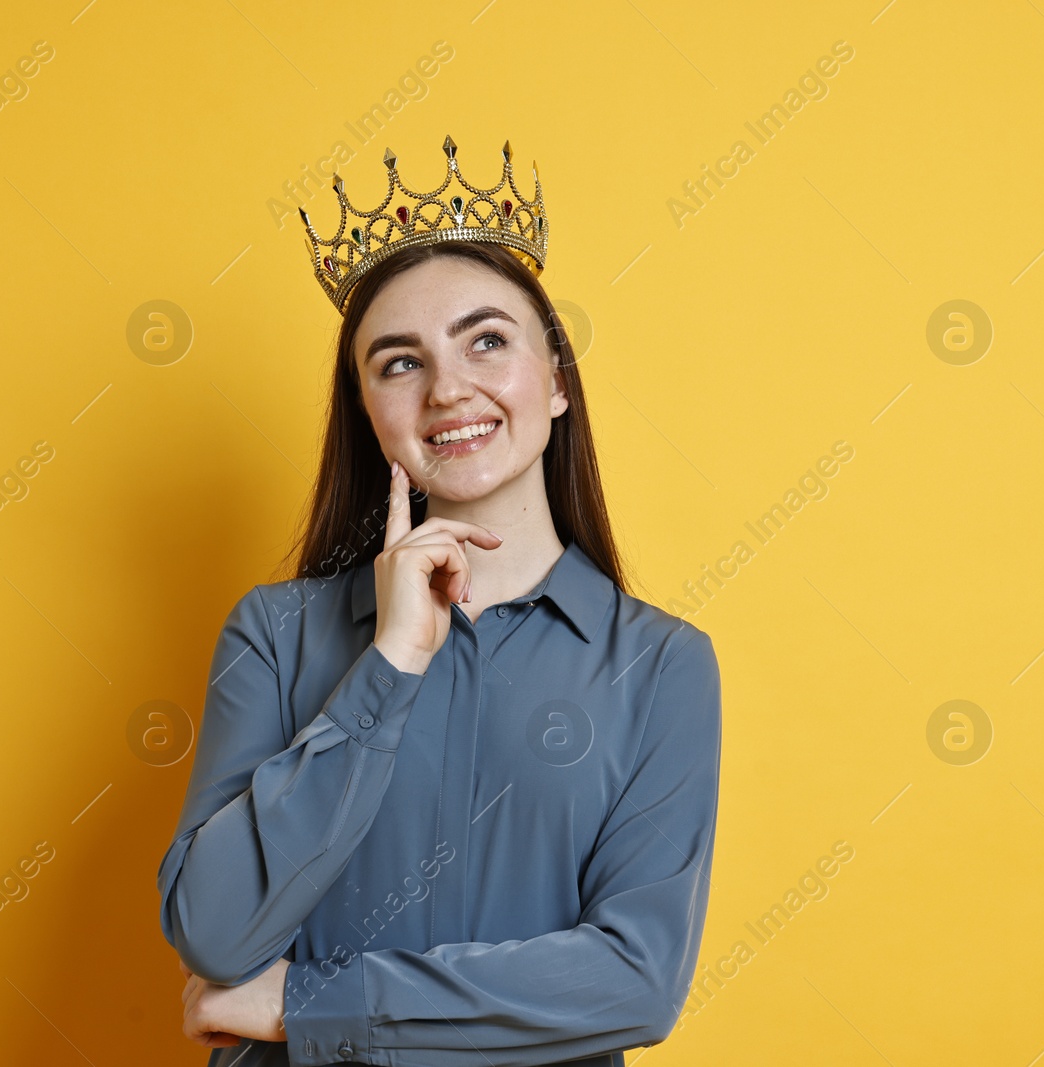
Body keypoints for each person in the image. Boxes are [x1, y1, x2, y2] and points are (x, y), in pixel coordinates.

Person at [155, 136, 722, 1066]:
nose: (449, 388)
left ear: (558, 383)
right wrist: (388, 666)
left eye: (487, 340)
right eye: (399, 362)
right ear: (369, 412)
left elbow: (635, 980)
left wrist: (309, 1003)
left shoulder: (660, 664)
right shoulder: (276, 634)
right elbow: (215, 934)